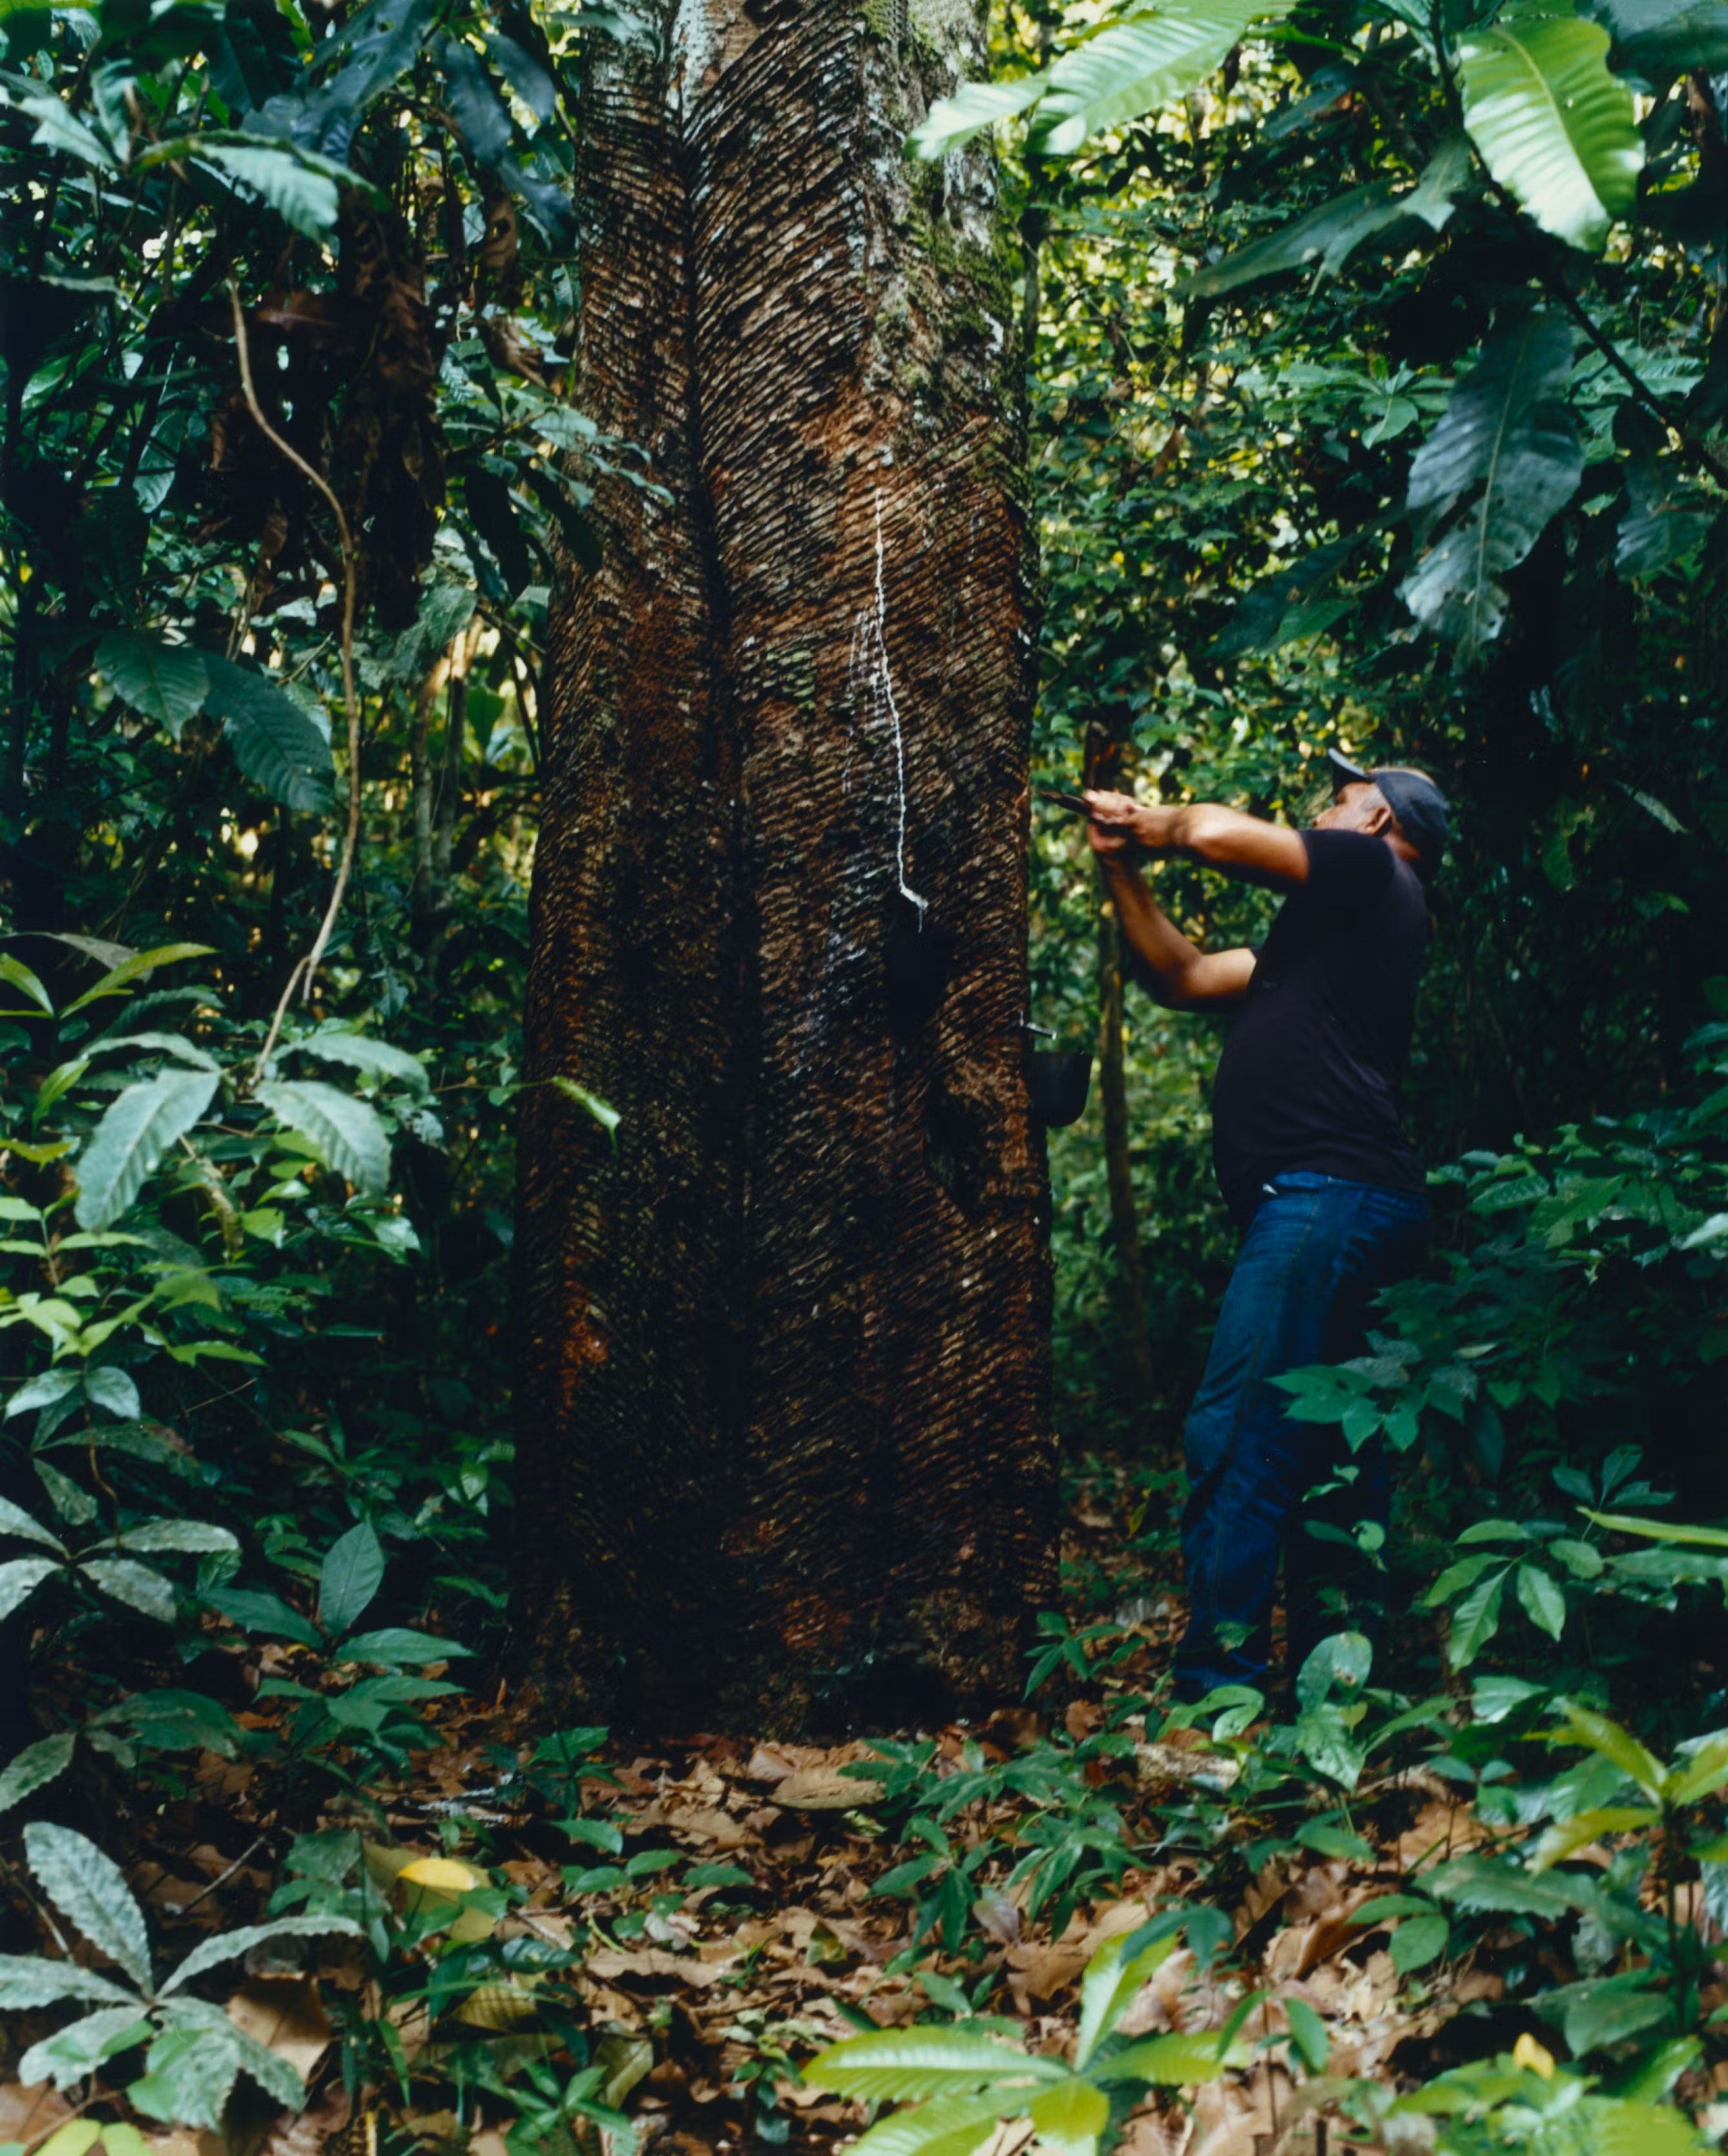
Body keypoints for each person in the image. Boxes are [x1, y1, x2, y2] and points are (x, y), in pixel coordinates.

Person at [1082, 749, 1451, 1703]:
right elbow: (1183, 972)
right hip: (1357, 1207)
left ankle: (1219, 1699)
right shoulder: (1331, 943)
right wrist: (1122, 867)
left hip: (1324, 1201)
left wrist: (1152, 822)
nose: (1321, 811)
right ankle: (1338, 1705)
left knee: (1243, 1437)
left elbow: (1209, 834)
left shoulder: (1378, 871)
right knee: (1333, 1461)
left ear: (1375, 821)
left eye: (1337, 799)